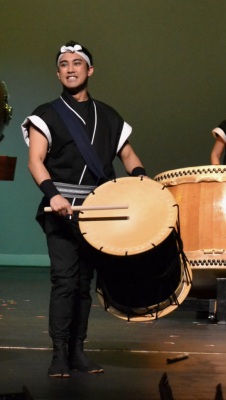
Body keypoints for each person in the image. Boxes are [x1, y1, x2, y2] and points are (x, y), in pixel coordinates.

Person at [22, 41, 147, 377]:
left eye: (78, 63)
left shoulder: (108, 115)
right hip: (60, 208)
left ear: (89, 70)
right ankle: (59, 353)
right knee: (64, 280)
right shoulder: (46, 114)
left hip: (97, 210)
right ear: (58, 72)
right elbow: (35, 160)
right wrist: (52, 195)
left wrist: (141, 180)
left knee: (82, 283)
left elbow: (129, 155)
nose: (71, 68)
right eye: (64, 63)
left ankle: (78, 351)